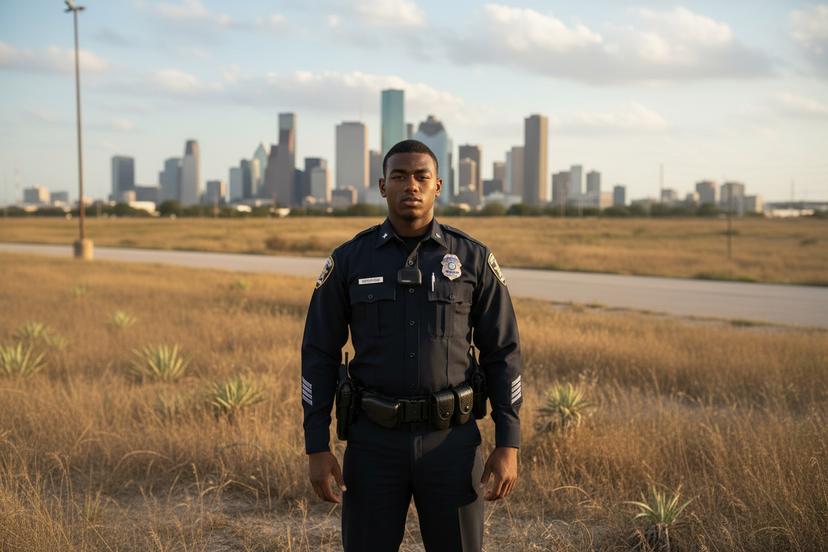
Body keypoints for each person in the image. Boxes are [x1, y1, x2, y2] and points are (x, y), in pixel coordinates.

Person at [301, 139, 522, 551]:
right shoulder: (351, 260)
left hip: (452, 444)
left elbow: (503, 353)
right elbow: (318, 353)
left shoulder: (472, 259)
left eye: (422, 176)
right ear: (383, 186)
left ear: (438, 185)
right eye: (400, 176)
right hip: (373, 445)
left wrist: (508, 441)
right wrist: (316, 444)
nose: (411, 185)